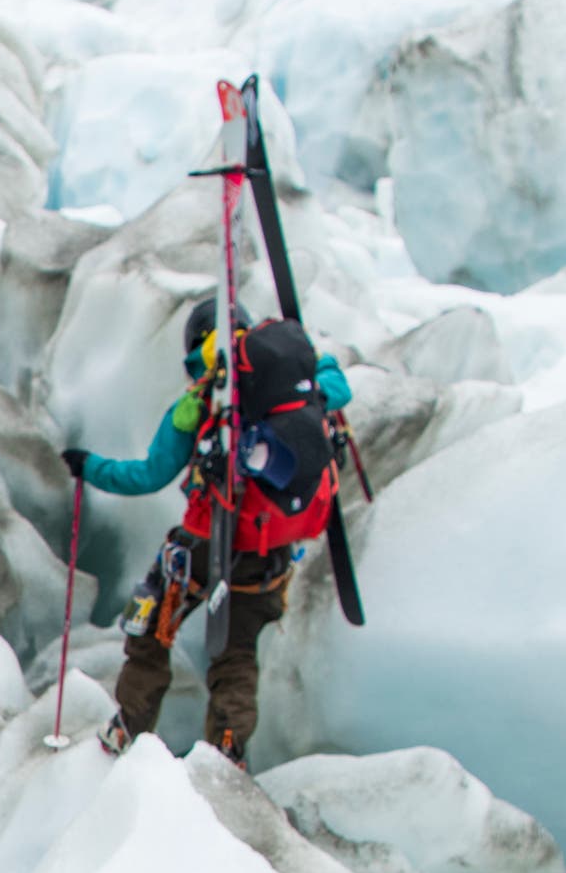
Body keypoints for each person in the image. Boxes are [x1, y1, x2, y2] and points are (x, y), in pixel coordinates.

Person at [62, 297, 351, 762]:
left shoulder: (199, 403)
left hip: (203, 546)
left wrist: (89, 467)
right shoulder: (298, 390)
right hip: (269, 551)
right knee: (236, 654)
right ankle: (227, 751)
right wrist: (316, 365)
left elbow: (149, 475)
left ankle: (128, 729)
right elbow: (337, 387)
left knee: (152, 627)